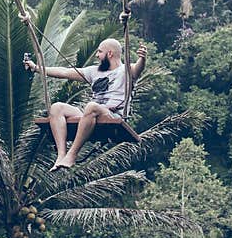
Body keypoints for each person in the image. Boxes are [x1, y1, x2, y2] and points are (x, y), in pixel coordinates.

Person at [24, 35, 147, 171]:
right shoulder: (94, 71)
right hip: (91, 114)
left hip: (113, 115)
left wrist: (142, 59)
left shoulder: (126, 71)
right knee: (56, 107)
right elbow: (64, 72)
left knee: (91, 106)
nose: (97, 55)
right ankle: (61, 155)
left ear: (110, 53)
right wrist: (36, 68)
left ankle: (72, 155)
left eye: (100, 51)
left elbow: (138, 68)